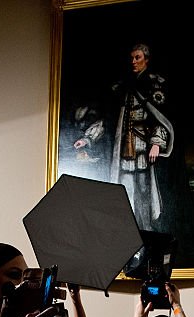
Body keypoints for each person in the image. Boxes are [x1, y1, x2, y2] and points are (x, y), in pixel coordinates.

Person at [74, 43, 175, 232]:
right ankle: (128, 231)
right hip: (123, 146)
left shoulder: (155, 84)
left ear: (146, 59)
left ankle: (146, 229)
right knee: (125, 188)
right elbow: (110, 120)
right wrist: (88, 139)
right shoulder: (122, 87)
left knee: (144, 190)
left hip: (144, 146)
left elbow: (160, 118)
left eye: (137, 57)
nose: (133, 61)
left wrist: (156, 143)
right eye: (131, 58)